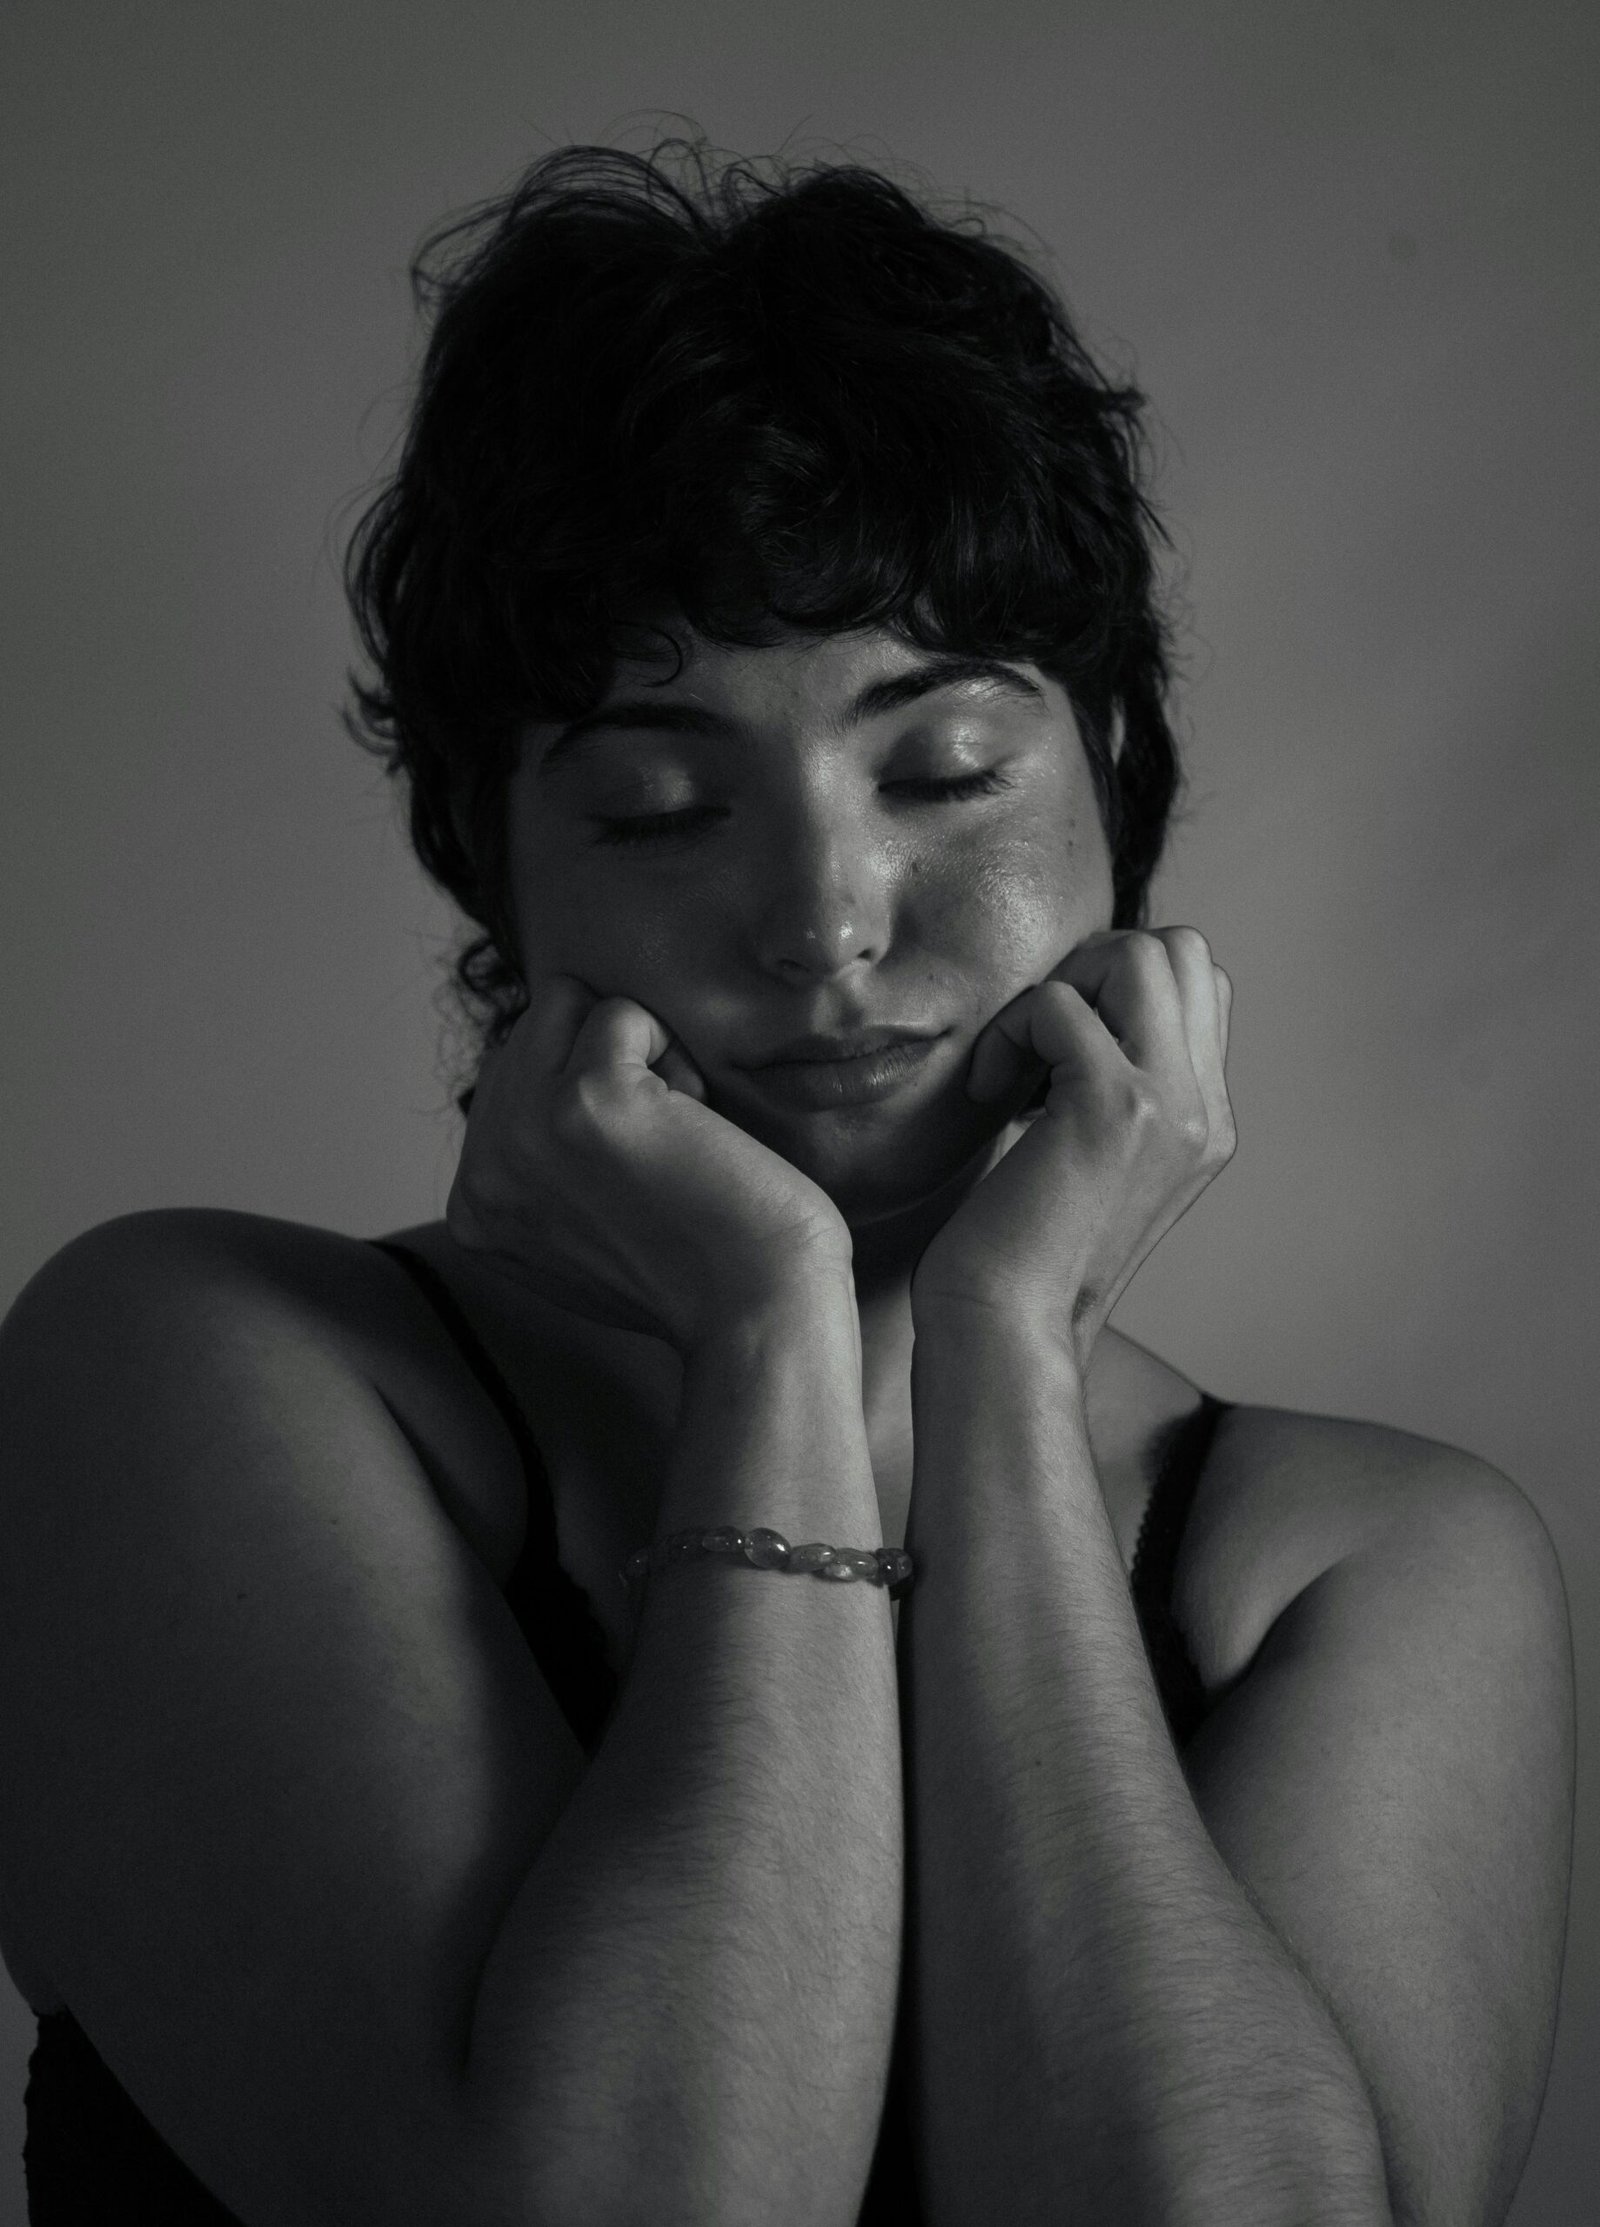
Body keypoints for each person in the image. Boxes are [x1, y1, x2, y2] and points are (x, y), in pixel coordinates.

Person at [0, 137, 1574, 2227]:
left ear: (1109, 760)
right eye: (658, 808)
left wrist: (997, 1364)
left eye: (938, 772)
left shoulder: (1367, 1561)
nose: (823, 918)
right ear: (499, 867)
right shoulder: (189, 1367)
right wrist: (774, 1340)